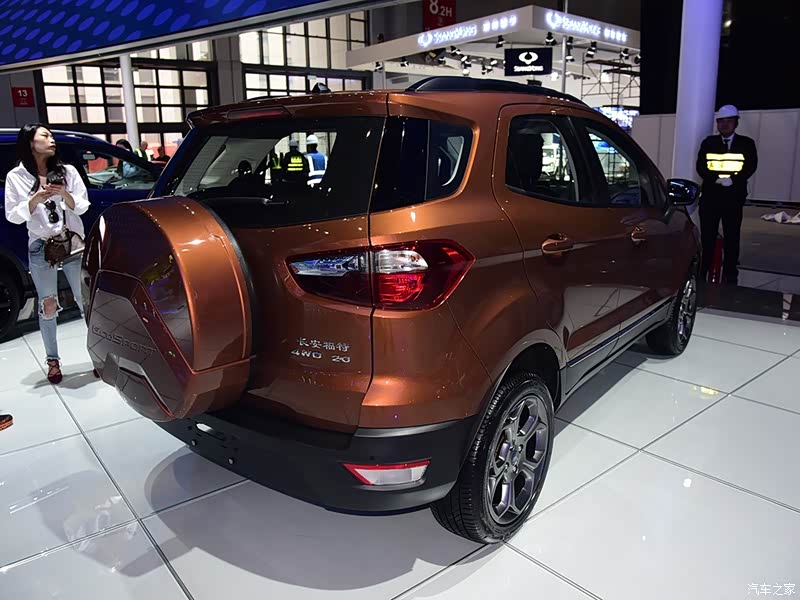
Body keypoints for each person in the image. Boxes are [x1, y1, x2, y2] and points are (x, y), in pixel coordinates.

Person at [4, 124, 90, 384]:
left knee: (84, 300)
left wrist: (64, 193)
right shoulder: (16, 177)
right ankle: (53, 360)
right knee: (48, 304)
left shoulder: (68, 171)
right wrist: (36, 199)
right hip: (41, 245)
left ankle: (98, 354)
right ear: (31, 143)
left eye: (51, 135)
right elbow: (13, 215)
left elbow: (83, 206)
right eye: (45, 136)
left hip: (71, 242)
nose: (52, 140)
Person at [696, 105, 758, 284]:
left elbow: (750, 166)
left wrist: (734, 180)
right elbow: (701, 166)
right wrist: (716, 179)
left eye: (729, 121)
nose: (724, 125)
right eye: (721, 121)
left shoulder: (746, 144)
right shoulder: (709, 143)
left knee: (732, 234)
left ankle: (730, 270)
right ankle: (704, 268)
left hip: (733, 196)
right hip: (711, 196)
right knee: (707, 235)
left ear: (736, 123)